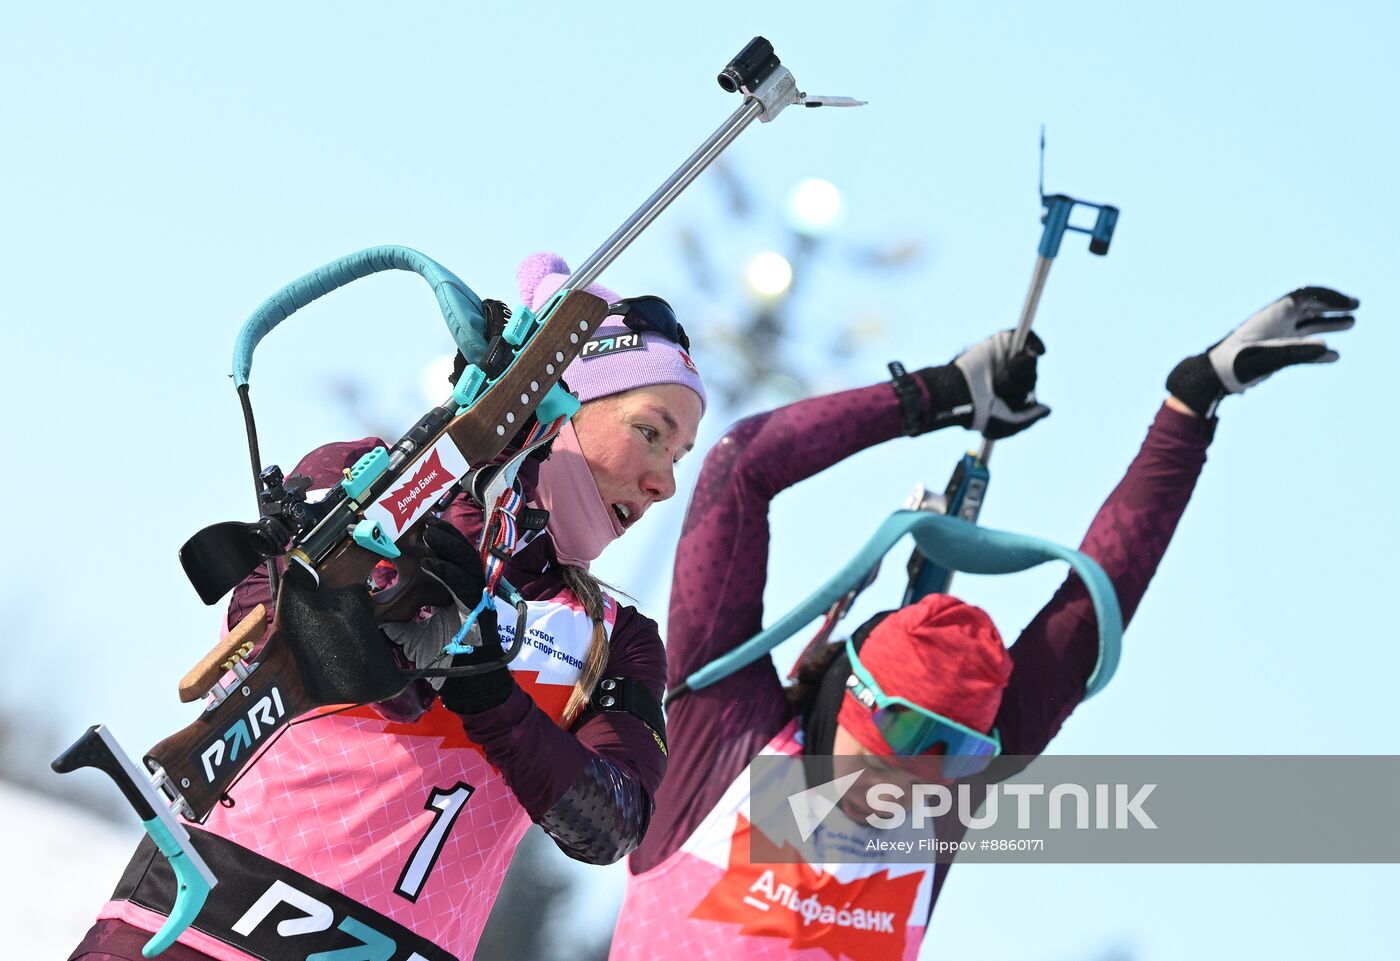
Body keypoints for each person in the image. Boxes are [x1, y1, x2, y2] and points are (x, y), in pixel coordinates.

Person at [608, 287, 1358, 960]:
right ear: (848, 695)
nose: (919, 776)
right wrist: (935, 395)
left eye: (960, 750)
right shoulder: (729, 735)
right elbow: (739, 468)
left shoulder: (931, 816)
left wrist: (1192, 405)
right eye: (901, 732)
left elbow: (1093, 606)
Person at [69, 252, 707, 961]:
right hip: (198, 926)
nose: (664, 483)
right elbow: (252, 625)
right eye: (651, 431)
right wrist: (408, 560)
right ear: (559, 405)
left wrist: (485, 683)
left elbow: (612, 822)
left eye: (680, 454)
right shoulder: (374, 479)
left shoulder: (616, 640)